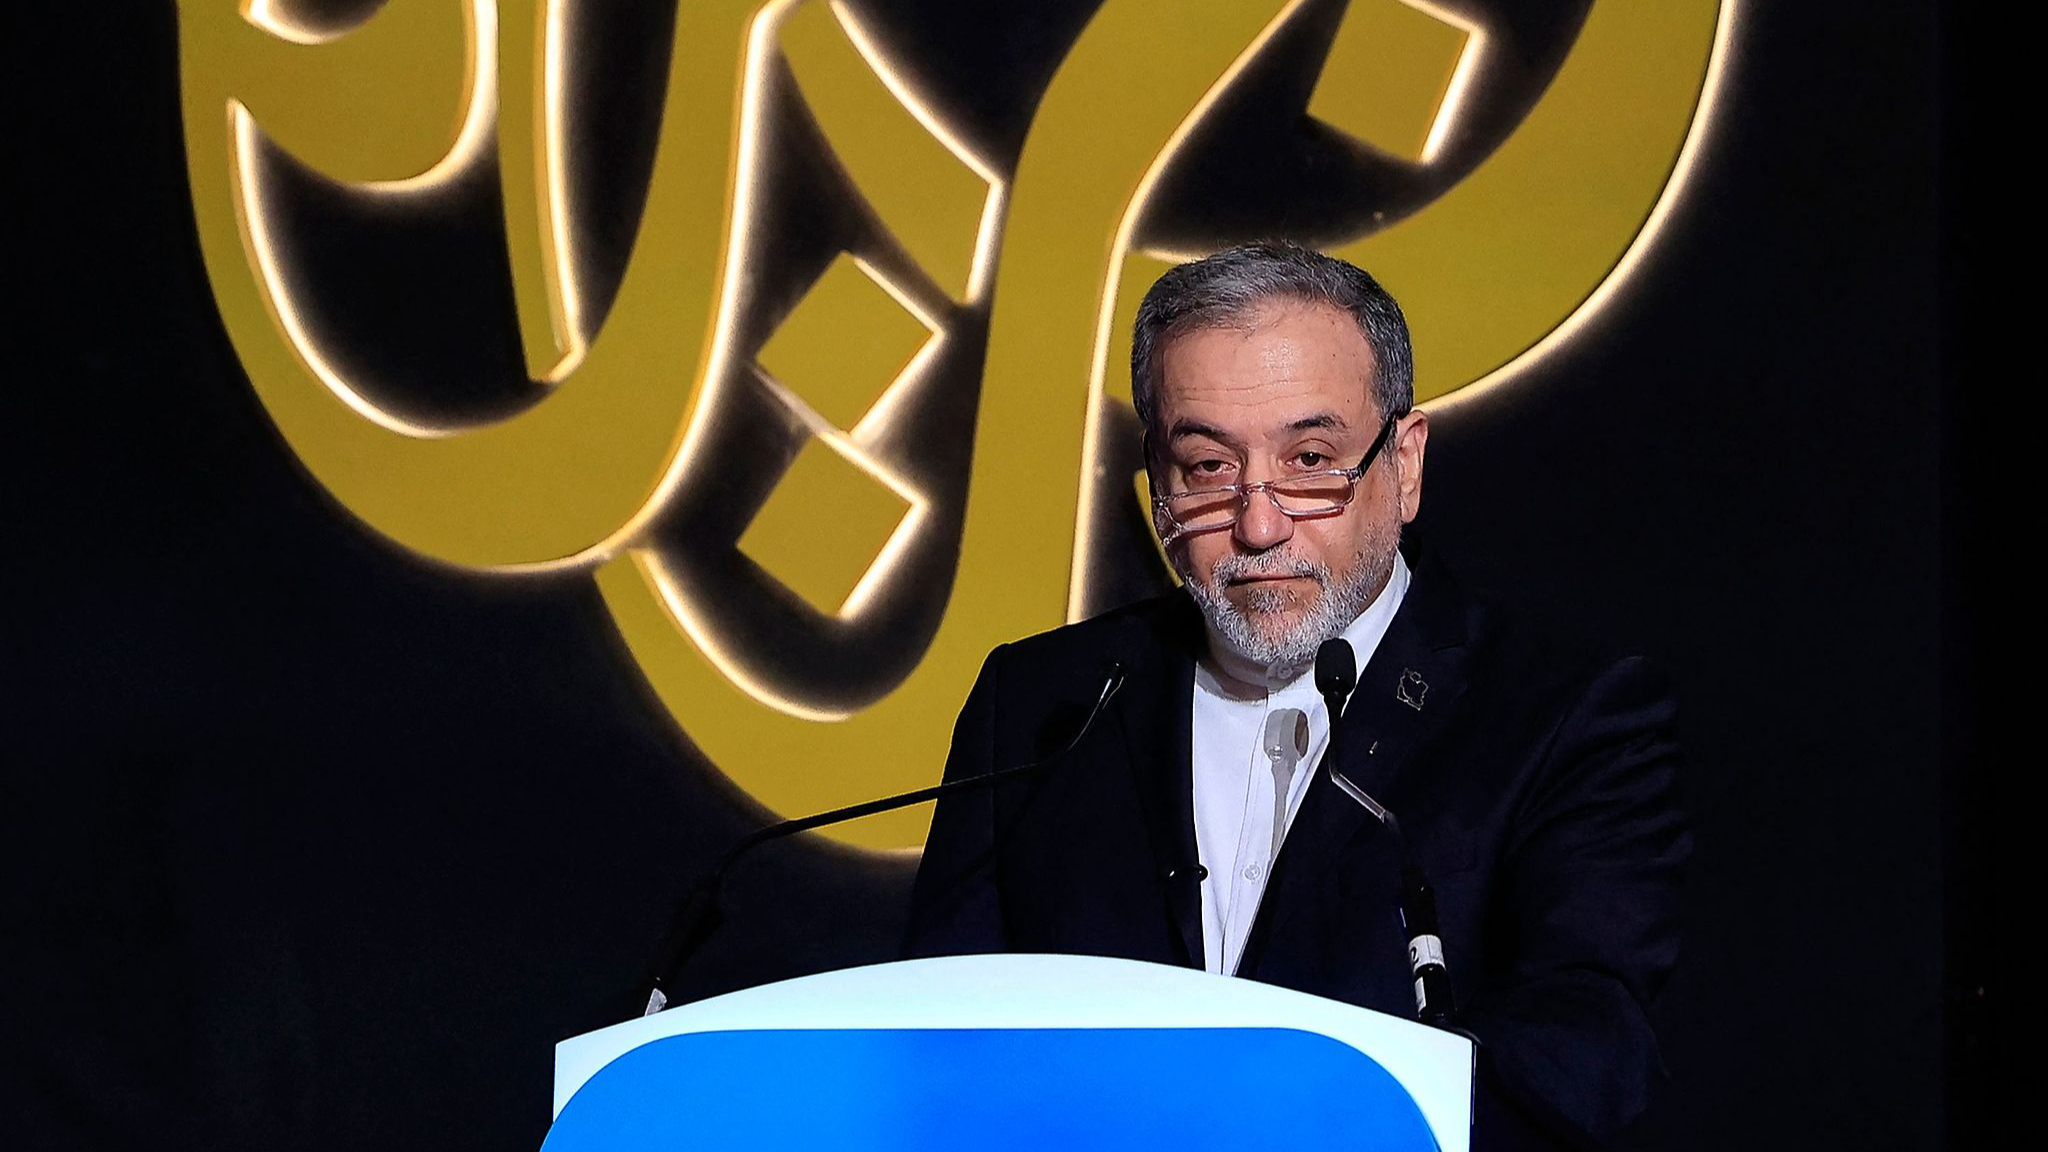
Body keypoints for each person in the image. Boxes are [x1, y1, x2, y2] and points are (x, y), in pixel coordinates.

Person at [903, 241, 1688, 1150]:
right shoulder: (1043, 705)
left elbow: (1586, 1051)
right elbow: (937, 1036)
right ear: (1155, 479)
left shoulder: (1562, 715)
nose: (1259, 522)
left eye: (1311, 457)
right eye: (1207, 468)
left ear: (1404, 463)